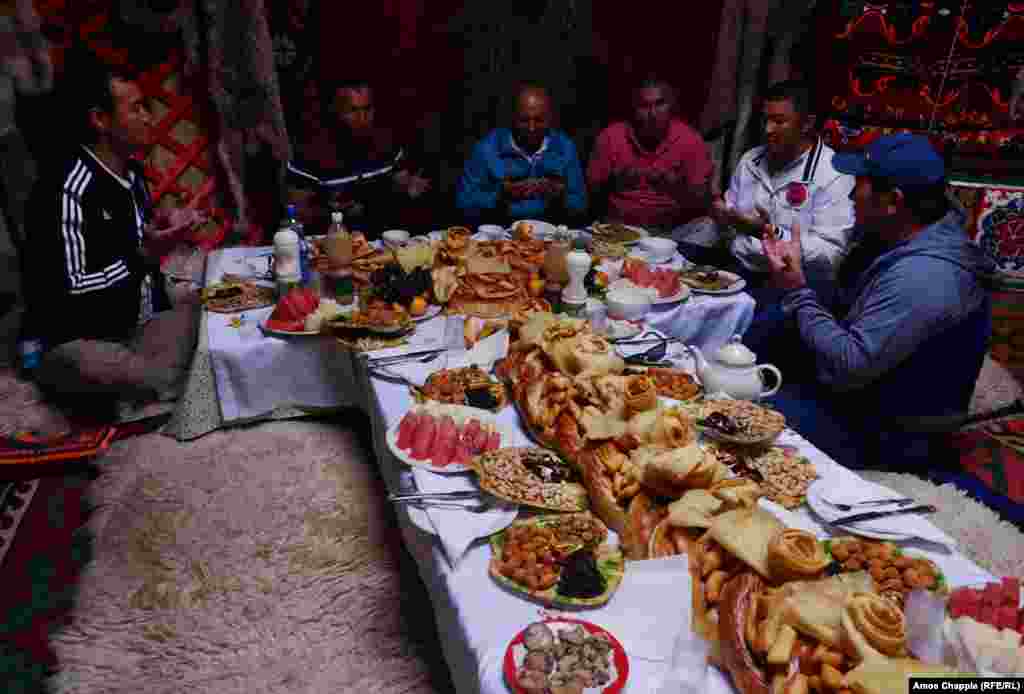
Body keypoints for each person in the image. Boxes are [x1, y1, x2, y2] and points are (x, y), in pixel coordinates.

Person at [754, 133, 995, 470]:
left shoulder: (925, 276)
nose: (852, 195)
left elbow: (851, 362)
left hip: (892, 429)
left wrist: (797, 291)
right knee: (766, 323)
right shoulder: (900, 229)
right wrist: (796, 278)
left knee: (748, 419)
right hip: (866, 388)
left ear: (893, 200)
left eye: (860, 185)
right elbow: (843, 300)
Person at [20, 59, 205, 418]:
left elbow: (136, 239)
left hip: (138, 327)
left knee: (207, 313)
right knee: (83, 364)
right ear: (100, 120)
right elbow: (67, 291)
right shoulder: (66, 189)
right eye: (136, 108)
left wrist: (168, 224)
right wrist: (145, 256)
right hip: (81, 340)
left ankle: (142, 390)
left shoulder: (132, 174)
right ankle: (146, 388)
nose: (149, 118)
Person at [689, 81, 854, 304]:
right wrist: (719, 214)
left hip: (796, 286)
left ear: (806, 124)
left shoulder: (834, 173)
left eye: (779, 121)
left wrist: (771, 234)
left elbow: (830, 254)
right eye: (765, 120)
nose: (767, 130)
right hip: (740, 271)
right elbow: (732, 224)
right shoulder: (751, 161)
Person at [286, 78, 434, 237]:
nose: (362, 118)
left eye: (367, 109)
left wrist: (410, 188)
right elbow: (295, 215)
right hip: (333, 243)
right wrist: (332, 212)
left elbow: (402, 184)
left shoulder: (386, 142)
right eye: (352, 110)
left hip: (383, 241)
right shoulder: (309, 153)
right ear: (335, 110)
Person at [587, 75, 712, 232]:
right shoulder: (610, 137)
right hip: (618, 228)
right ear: (633, 108)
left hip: (672, 231)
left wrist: (677, 185)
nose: (652, 113)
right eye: (644, 106)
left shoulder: (690, 140)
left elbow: (703, 200)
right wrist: (615, 180)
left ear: (671, 106)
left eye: (659, 104)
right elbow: (590, 193)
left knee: (709, 227)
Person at [456, 84, 586, 226]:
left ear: (550, 119)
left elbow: (580, 204)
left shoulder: (565, 147)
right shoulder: (486, 149)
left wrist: (560, 196)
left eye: (539, 120)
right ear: (512, 118)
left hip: (551, 235)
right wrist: (500, 195)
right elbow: (464, 203)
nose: (531, 128)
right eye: (524, 120)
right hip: (501, 235)